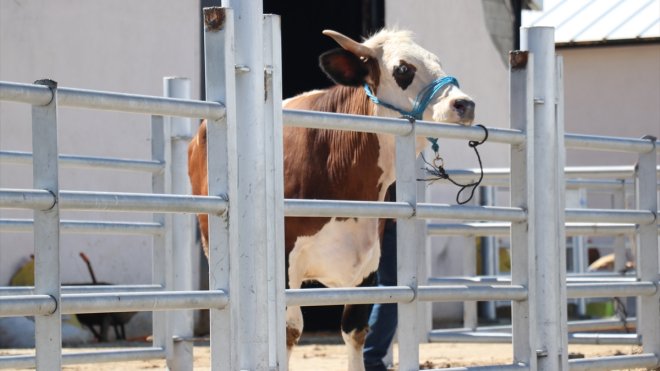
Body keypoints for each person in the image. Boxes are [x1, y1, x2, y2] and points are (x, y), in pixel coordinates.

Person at [363, 185, 398, 371]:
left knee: (388, 286)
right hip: (389, 209)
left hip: (379, 206)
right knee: (393, 288)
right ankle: (371, 357)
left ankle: (369, 356)